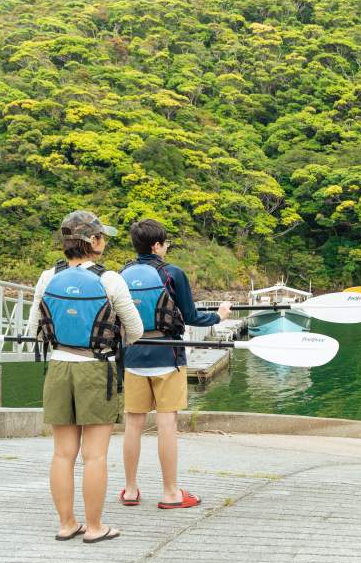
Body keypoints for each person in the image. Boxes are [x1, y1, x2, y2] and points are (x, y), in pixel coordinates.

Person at [26, 211, 143, 544]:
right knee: (95, 455)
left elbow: (34, 330)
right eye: (102, 236)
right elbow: (133, 330)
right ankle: (94, 527)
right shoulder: (110, 279)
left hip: (59, 367)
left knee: (63, 453)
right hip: (97, 368)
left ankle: (66, 524)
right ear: (93, 241)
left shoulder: (48, 277)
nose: (104, 241)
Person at [119, 219, 231, 510]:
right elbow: (192, 316)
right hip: (167, 356)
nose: (166, 248)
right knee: (166, 422)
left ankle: (130, 490)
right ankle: (170, 493)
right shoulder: (173, 273)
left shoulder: (122, 274)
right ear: (156, 246)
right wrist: (219, 316)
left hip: (132, 356)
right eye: (165, 243)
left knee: (133, 423)